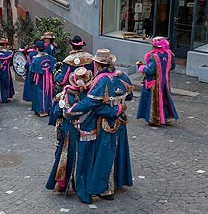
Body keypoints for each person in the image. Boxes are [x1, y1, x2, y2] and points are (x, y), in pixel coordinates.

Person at [65, 49, 133, 204]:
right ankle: (116, 182)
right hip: (121, 122)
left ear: (96, 64)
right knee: (118, 151)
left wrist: (72, 111)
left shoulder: (101, 80)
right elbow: (128, 95)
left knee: (105, 154)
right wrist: (119, 107)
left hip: (106, 123)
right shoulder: (123, 76)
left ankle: (105, 189)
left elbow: (92, 103)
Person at [46, 67, 93, 194]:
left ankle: (61, 184)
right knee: (81, 156)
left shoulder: (66, 93)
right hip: (84, 130)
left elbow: (58, 113)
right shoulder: (91, 94)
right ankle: (79, 183)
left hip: (69, 129)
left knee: (65, 156)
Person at [137, 36, 178, 126]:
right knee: (165, 98)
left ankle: (155, 119)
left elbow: (150, 71)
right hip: (166, 82)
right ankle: (166, 117)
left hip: (154, 82)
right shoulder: (170, 54)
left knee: (153, 100)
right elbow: (173, 67)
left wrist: (142, 67)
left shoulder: (153, 57)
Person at [29, 40, 56, 117]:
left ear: (36, 49)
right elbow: (53, 68)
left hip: (38, 80)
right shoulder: (50, 58)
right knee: (48, 93)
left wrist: (30, 81)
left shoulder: (35, 60)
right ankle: (48, 109)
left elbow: (31, 72)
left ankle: (41, 110)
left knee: (39, 94)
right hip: (48, 79)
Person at [0, 38, 15, 103]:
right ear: (5, 45)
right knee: (5, 83)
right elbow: (11, 63)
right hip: (5, 69)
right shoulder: (9, 53)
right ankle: (4, 98)